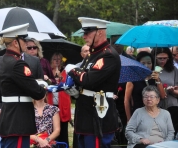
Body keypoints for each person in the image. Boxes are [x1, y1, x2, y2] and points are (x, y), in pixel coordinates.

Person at [66, 17, 121, 148]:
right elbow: (84, 81)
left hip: (98, 115)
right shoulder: (92, 54)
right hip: (85, 113)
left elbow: (88, 79)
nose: (84, 36)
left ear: (100, 32)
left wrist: (73, 70)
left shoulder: (108, 55)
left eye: (87, 32)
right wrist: (75, 91)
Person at [0, 23, 47, 148]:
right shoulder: (18, 64)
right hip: (18, 119)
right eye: (23, 39)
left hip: (9, 115)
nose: (26, 42)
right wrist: (43, 86)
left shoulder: (1, 61)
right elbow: (37, 92)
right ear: (15, 42)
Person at [124, 51, 166, 122]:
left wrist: (157, 80)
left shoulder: (155, 78)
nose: (146, 66)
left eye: (149, 63)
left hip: (154, 115)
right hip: (138, 115)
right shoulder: (133, 79)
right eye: (143, 63)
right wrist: (129, 119)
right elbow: (126, 100)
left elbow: (162, 96)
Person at [47, 52, 71, 147]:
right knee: (52, 128)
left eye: (59, 59)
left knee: (63, 130)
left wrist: (60, 77)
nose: (57, 61)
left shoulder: (66, 72)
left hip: (63, 104)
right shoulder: (48, 71)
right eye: (54, 59)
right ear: (51, 61)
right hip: (51, 103)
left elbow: (68, 85)